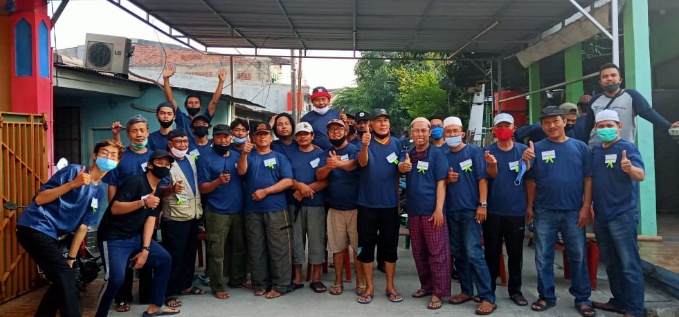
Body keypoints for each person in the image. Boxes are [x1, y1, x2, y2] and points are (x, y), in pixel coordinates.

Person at [16, 139, 122, 317]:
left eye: (113, 155)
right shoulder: (74, 171)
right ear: (95, 155)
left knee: (63, 279)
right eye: (105, 152)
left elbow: (83, 226)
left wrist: (71, 259)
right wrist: (73, 184)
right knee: (66, 277)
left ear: (117, 163)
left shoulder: (99, 190)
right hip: (35, 226)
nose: (108, 157)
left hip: (51, 235)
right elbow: (40, 199)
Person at [522, 106, 595, 317]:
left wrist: (585, 206)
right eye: (546, 122)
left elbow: (588, 178)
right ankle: (546, 296)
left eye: (555, 121)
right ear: (542, 126)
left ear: (565, 121)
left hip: (574, 211)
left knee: (578, 255)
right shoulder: (537, 147)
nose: (551, 125)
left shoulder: (580, 148)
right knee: (543, 256)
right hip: (544, 211)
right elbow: (526, 174)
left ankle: (583, 298)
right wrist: (526, 160)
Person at [95, 150, 177, 317]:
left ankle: (155, 306)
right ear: (149, 165)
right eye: (159, 163)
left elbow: (150, 220)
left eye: (166, 164)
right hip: (113, 238)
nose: (163, 166)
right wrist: (143, 202)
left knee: (164, 260)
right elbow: (115, 208)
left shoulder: (159, 190)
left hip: (135, 237)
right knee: (115, 279)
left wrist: (145, 250)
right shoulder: (135, 182)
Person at [589, 110, 645, 317]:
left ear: (619, 126)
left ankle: (635, 308)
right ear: (596, 128)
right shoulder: (595, 151)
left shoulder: (627, 148)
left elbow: (641, 175)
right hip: (602, 215)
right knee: (611, 262)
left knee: (629, 263)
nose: (605, 130)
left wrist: (630, 168)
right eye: (601, 126)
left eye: (609, 126)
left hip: (623, 214)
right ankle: (619, 301)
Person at [442, 116, 496, 315]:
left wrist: (482, 205)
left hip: (470, 211)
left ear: (463, 133)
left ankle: (487, 297)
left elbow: (483, 180)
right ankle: (466, 290)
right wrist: (447, 180)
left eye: (456, 131)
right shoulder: (443, 154)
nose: (452, 135)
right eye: (449, 132)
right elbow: (440, 183)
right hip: (451, 210)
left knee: (474, 253)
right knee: (458, 253)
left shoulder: (474, 152)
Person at [237, 122, 294, 299]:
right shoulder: (249, 156)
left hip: (276, 209)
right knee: (256, 248)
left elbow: (288, 181)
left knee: (279, 248)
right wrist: (244, 154)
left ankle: (281, 285)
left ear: (271, 138)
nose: (262, 137)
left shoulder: (279, 157)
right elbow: (240, 172)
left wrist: (266, 191)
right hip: (252, 210)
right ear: (253, 138)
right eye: (258, 134)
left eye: (265, 134)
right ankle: (260, 283)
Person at [355, 108, 405, 304]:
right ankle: (369, 286)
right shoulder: (364, 142)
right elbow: (362, 163)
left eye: (386, 120)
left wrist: (404, 166)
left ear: (389, 124)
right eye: (378, 120)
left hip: (390, 205)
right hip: (366, 204)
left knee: (390, 247)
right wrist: (365, 147)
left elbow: (401, 166)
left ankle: (390, 285)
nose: (383, 123)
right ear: (371, 125)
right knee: (365, 247)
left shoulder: (397, 143)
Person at [106, 115, 154, 310]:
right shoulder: (121, 157)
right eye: (134, 131)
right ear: (128, 134)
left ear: (148, 132)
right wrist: (113, 211)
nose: (139, 134)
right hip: (124, 213)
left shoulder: (153, 156)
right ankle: (123, 297)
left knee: (146, 252)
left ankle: (146, 294)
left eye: (142, 130)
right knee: (124, 257)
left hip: (147, 214)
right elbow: (112, 185)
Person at [401, 117, 450, 310]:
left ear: (429, 132)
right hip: (414, 212)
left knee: (437, 254)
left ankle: (439, 292)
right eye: (416, 131)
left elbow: (441, 183)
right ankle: (426, 286)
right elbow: (399, 169)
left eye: (423, 131)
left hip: (432, 212)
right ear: (411, 133)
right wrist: (401, 167)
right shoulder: (409, 154)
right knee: (419, 253)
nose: (420, 134)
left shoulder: (437, 155)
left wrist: (439, 210)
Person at [197, 124, 250, 299]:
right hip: (217, 211)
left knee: (239, 248)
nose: (223, 140)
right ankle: (217, 285)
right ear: (213, 138)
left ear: (230, 138)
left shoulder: (237, 155)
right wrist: (217, 182)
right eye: (219, 137)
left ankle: (237, 278)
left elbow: (244, 173)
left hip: (238, 209)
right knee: (216, 251)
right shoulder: (205, 159)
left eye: (226, 137)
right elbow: (202, 188)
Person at [483, 113, 529, 306]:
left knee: (515, 253)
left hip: (516, 211)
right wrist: (492, 164)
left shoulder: (524, 150)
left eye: (507, 125)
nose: (503, 128)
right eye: (499, 125)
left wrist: (530, 205)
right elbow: (487, 177)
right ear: (494, 130)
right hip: (493, 211)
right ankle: (488, 290)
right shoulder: (487, 151)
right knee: (491, 252)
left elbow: (529, 179)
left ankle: (515, 291)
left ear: (514, 128)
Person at [316, 119, 365, 296]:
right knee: (336, 248)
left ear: (345, 132)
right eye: (331, 130)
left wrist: (338, 164)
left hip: (356, 208)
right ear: (328, 134)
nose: (335, 132)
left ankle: (360, 282)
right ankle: (338, 281)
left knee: (357, 248)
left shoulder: (354, 149)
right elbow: (319, 175)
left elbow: (354, 165)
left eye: (339, 129)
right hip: (335, 208)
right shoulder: (326, 153)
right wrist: (329, 167)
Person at [159, 129, 206, 304]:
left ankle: (186, 285)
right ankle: (169, 292)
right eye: (179, 142)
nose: (183, 145)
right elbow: (159, 188)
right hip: (174, 218)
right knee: (174, 256)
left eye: (185, 141)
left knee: (188, 254)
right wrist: (171, 189)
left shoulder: (190, 160)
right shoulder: (165, 163)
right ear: (170, 143)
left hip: (192, 214)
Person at [584, 63, 679, 147]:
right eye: (605, 76)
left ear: (620, 79)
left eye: (613, 75)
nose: (609, 78)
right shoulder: (595, 100)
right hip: (596, 149)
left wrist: (669, 126)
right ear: (600, 82)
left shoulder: (631, 95)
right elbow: (588, 127)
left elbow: (649, 113)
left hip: (623, 149)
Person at [287, 122, 328, 293]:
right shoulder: (289, 155)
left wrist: (304, 191)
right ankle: (297, 277)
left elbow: (325, 180)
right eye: (299, 134)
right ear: (295, 138)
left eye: (306, 134)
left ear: (312, 136)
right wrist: (298, 187)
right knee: (296, 240)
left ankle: (316, 279)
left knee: (317, 241)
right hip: (294, 204)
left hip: (316, 205)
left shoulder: (321, 154)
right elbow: (286, 178)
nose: (303, 137)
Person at [162, 65, 225, 139]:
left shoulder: (205, 118)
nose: (193, 105)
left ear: (200, 106)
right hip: (184, 149)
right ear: (186, 106)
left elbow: (214, 101)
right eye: (190, 103)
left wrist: (221, 82)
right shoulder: (181, 118)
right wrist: (166, 79)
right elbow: (170, 100)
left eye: (196, 103)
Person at [300, 86, 340, 150]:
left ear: (328, 100)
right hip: (315, 153)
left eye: (323, 99)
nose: (321, 103)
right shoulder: (306, 119)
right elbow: (302, 137)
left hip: (336, 151)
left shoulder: (336, 114)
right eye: (317, 100)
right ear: (312, 102)